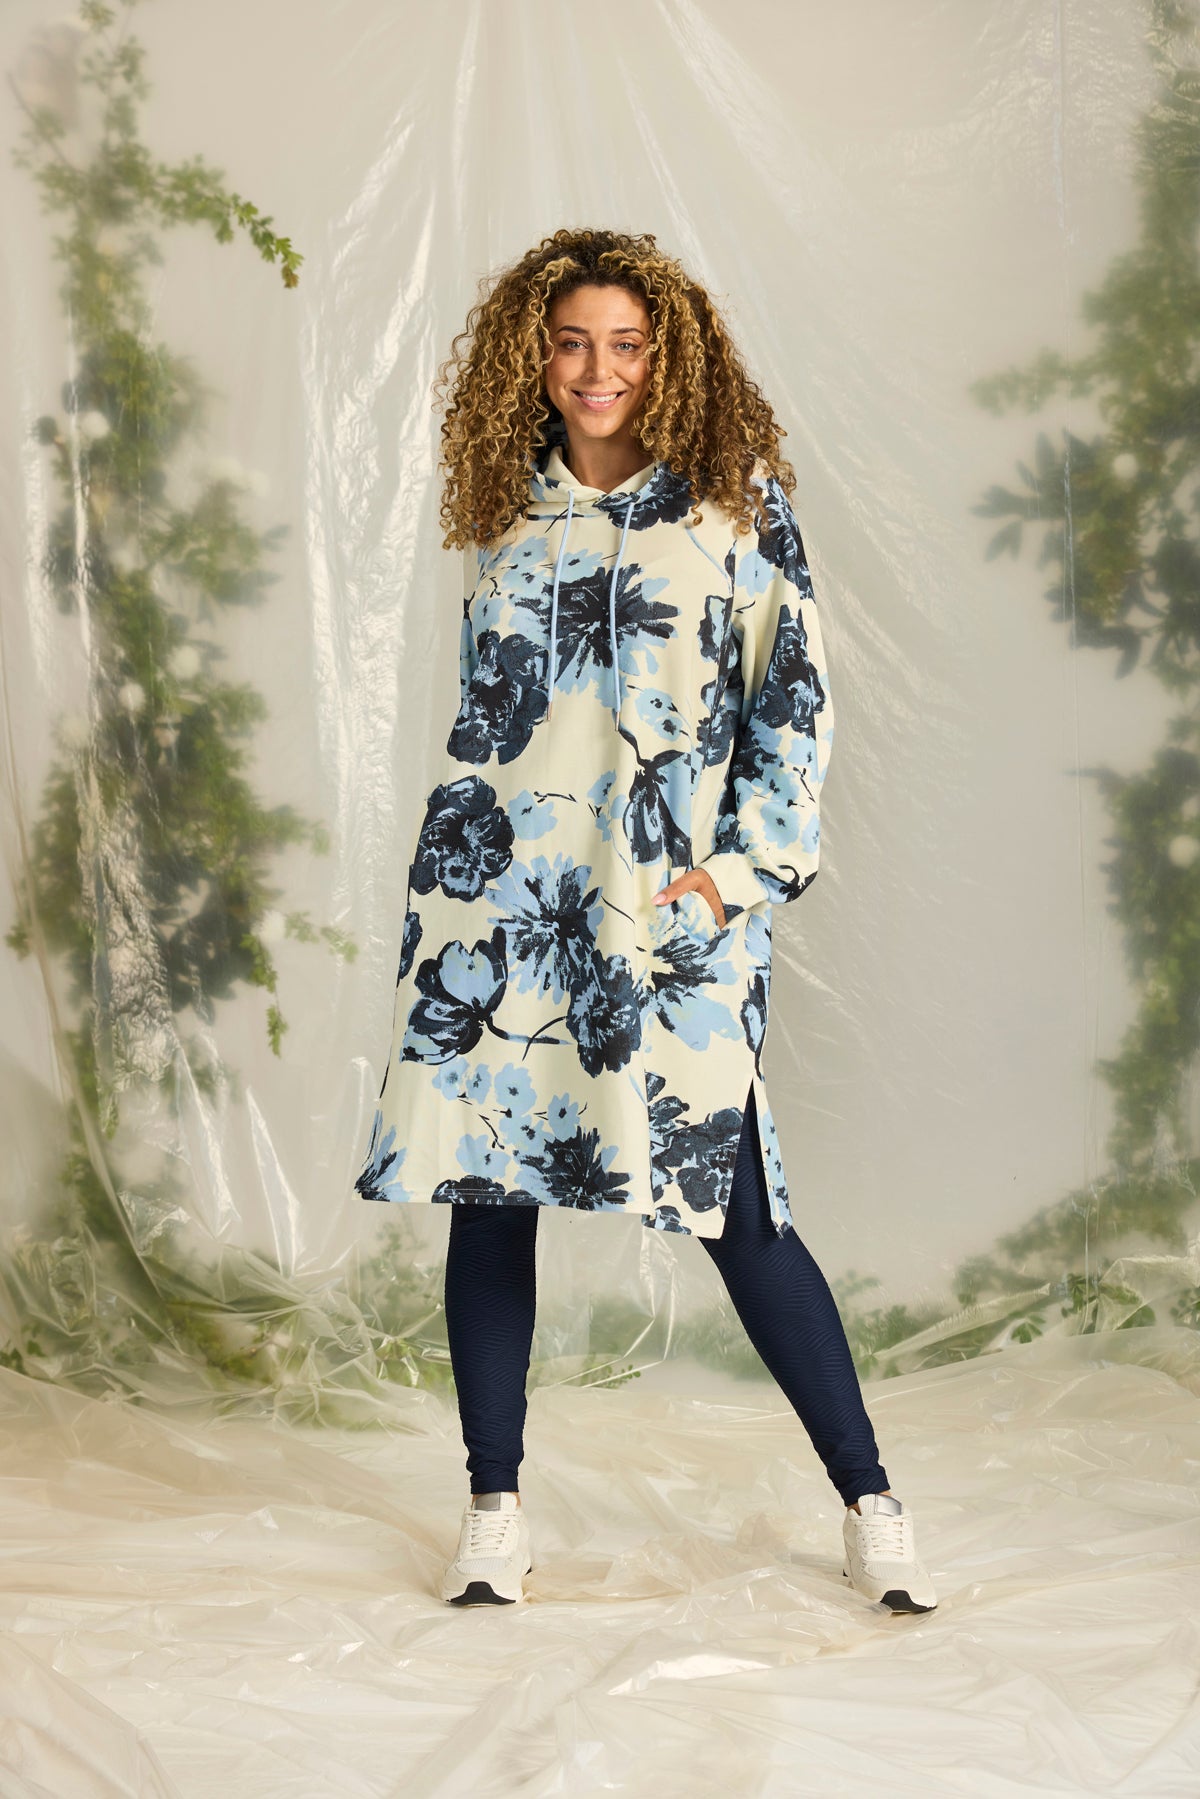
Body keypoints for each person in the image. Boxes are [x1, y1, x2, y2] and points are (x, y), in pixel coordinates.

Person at [354, 227, 937, 1616]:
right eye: (572, 344)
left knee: (737, 1207)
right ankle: (493, 1510)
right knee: (490, 1194)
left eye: (626, 345)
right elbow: (492, 717)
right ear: (534, 358)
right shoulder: (504, 503)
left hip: (671, 916)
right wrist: (463, 877)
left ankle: (872, 1503)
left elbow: (792, 708)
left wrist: (735, 879)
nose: (597, 370)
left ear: (669, 359)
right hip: (504, 907)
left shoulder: (737, 507)